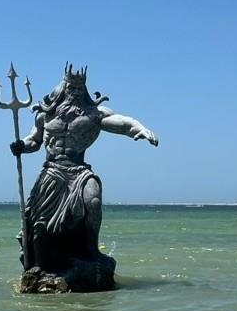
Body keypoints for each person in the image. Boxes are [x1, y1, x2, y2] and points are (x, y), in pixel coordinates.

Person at [9, 63, 157, 273]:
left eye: (79, 89)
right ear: (63, 87)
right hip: (52, 171)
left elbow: (123, 123)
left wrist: (140, 129)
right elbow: (34, 140)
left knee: (93, 200)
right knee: (38, 223)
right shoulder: (45, 114)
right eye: (71, 88)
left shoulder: (92, 114)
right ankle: (39, 266)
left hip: (79, 171)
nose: (75, 93)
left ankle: (91, 249)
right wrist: (21, 146)